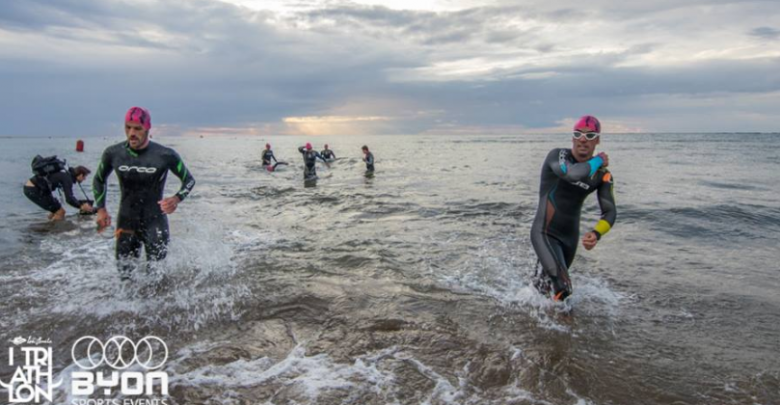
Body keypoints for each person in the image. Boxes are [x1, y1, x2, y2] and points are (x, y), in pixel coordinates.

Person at [93, 107, 196, 280]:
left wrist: (176, 198)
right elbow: (98, 179)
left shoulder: (165, 155)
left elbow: (189, 180)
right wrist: (101, 209)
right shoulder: (113, 153)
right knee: (124, 278)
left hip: (155, 221)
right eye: (128, 127)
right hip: (126, 221)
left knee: (156, 277)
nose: (132, 133)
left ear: (147, 128)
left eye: (137, 128)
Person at [530, 115, 616, 301]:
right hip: (544, 233)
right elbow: (573, 174)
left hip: (569, 241)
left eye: (590, 135)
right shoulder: (558, 156)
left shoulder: (602, 176)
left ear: (598, 140)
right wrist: (598, 160)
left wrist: (596, 233)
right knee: (563, 288)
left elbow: (610, 212)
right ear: (573, 138)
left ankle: (527, 319)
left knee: (542, 290)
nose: (583, 139)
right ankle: (563, 326)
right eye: (578, 134)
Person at [23, 164, 93, 221]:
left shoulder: (66, 174)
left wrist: (79, 205)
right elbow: (69, 199)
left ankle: (47, 227)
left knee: (56, 209)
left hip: (35, 188)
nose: (84, 179)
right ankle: (54, 234)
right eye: (85, 177)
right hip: (33, 189)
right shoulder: (67, 178)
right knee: (60, 212)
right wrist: (81, 206)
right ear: (81, 175)